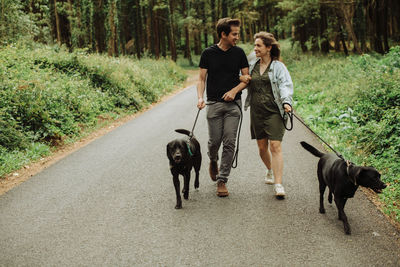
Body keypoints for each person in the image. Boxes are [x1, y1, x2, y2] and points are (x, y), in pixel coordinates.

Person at [197, 18, 249, 197]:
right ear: (223, 34)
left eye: (237, 34)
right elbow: (202, 79)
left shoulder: (240, 53)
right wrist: (199, 98)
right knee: (214, 143)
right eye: (234, 34)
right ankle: (213, 160)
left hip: (234, 106)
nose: (237, 37)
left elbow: (246, 79)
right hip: (213, 103)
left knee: (229, 142)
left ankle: (222, 179)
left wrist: (234, 91)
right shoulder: (208, 53)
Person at [241, 32, 293, 198]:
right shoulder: (252, 62)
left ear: (268, 48)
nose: (255, 48)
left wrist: (286, 102)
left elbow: (285, 85)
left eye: (258, 46)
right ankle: (270, 170)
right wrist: (241, 77)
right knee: (262, 148)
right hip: (257, 112)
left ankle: (278, 184)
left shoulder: (278, 67)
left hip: (274, 111)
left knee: (275, 146)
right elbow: (240, 73)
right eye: (255, 45)